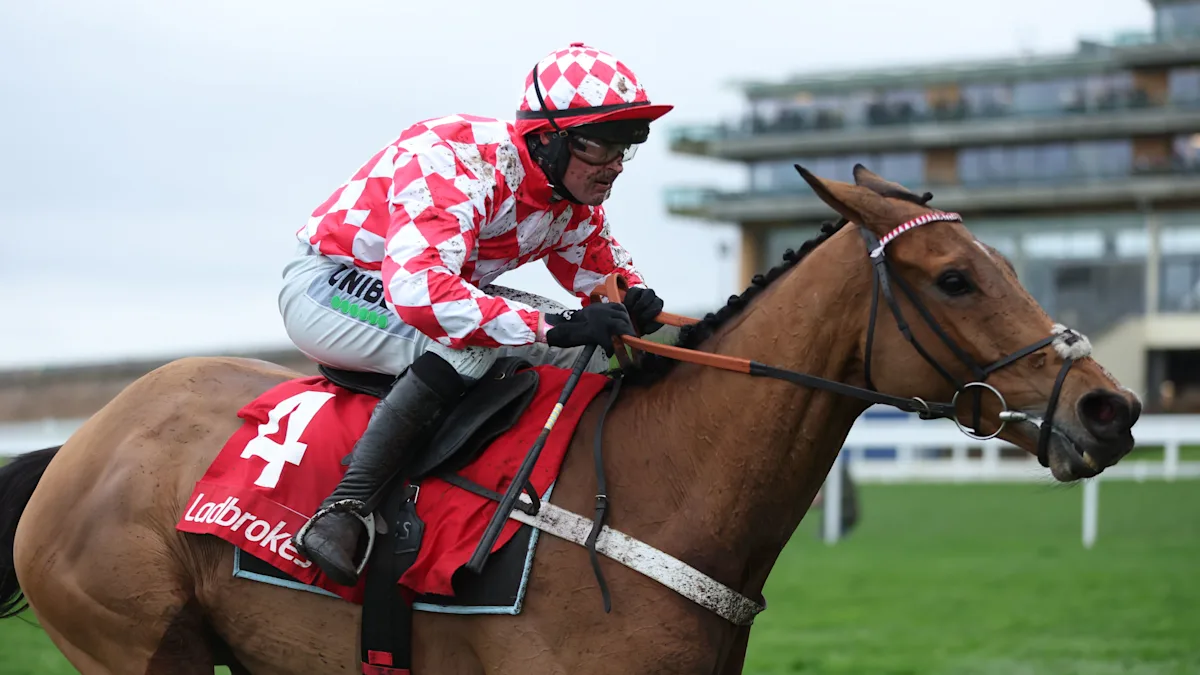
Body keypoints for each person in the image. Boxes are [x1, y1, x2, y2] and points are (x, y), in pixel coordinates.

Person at [276, 42, 672, 585]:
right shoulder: (455, 157)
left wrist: (634, 298)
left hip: (423, 289)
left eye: (625, 146)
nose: (614, 166)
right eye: (600, 146)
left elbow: (598, 268)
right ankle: (344, 509)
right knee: (473, 344)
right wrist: (551, 326)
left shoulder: (566, 196)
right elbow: (422, 294)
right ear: (547, 138)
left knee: (592, 347)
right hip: (331, 287)